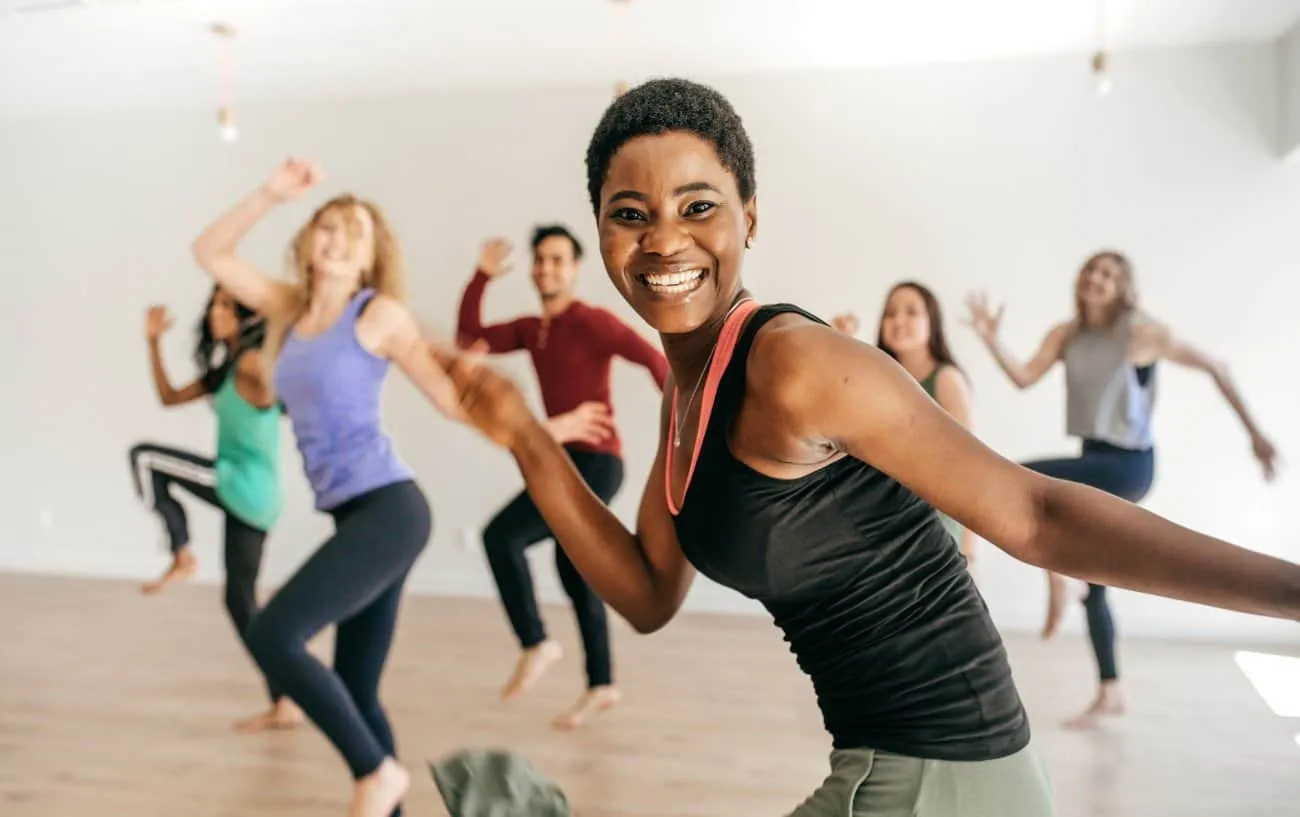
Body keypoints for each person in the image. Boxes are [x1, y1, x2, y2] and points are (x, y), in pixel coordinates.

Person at [429, 78, 1300, 817]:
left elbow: (1035, 514)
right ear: (601, 233)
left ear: (749, 217)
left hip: (941, 780)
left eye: (698, 206)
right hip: (903, 768)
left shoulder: (793, 364)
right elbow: (650, 592)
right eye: (631, 214)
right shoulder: (685, 395)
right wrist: (525, 436)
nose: (663, 239)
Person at [192, 159, 463, 817]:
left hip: (391, 510)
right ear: (309, 240)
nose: (338, 239)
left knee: (273, 634)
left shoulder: (378, 314)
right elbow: (210, 253)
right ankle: (383, 787)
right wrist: (269, 194)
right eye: (328, 226)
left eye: (354, 232)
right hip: (355, 515)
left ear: (370, 258)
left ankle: (375, 774)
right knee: (357, 688)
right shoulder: (286, 309)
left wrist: (547, 432)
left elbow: (451, 396)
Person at [965, 253, 1279, 728]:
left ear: (1123, 287)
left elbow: (1217, 366)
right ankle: (1111, 688)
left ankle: (1057, 573)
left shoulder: (1142, 334)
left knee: (1019, 479)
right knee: (1096, 579)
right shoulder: (1066, 334)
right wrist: (991, 339)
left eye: (1109, 274)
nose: (1097, 277)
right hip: (1091, 456)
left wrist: (1256, 436)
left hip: (1128, 465)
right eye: (1092, 269)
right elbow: (1024, 377)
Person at [457, 226, 668, 728]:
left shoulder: (591, 322)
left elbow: (654, 359)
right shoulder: (534, 330)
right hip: (560, 459)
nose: (546, 268)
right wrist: (481, 276)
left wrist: (686, 429)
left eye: (557, 259)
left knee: (502, 537)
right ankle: (602, 684)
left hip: (596, 461)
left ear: (575, 269)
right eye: (541, 260)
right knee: (573, 567)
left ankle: (535, 643)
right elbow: (470, 340)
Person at [128, 286, 302, 732]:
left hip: (240, 484)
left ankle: (181, 553)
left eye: (226, 306)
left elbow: (273, 385)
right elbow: (168, 397)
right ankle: (284, 700)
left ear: (246, 316)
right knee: (240, 603)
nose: (215, 312)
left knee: (146, 459)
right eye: (214, 305)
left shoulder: (249, 363)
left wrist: (280, 334)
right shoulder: (227, 369)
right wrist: (153, 342)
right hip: (255, 496)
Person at [833, 281, 977, 566]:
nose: (898, 321)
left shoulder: (946, 380)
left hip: (932, 525)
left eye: (911, 312)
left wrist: (970, 551)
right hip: (882, 515)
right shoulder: (876, 376)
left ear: (932, 322)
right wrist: (840, 347)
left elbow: (971, 466)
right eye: (890, 313)